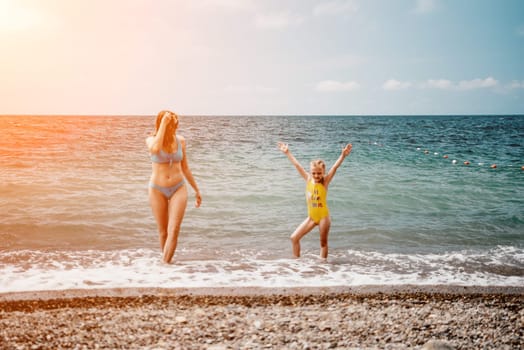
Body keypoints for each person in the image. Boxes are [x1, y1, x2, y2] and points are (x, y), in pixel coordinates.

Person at [278, 142, 352, 259]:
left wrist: (343, 155)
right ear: (311, 172)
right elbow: (297, 165)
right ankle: (295, 263)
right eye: (314, 173)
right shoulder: (308, 179)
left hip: (323, 217)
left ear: (323, 173)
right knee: (294, 238)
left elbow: (334, 168)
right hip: (311, 218)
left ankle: (322, 267)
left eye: (319, 173)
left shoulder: (325, 181)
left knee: (323, 243)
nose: (316, 175)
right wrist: (287, 152)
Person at [146, 110, 202, 263]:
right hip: (157, 189)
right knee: (163, 232)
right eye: (170, 125)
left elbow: (185, 168)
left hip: (178, 187)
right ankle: (166, 268)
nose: (173, 128)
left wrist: (196, 190)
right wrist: (163, 123)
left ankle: (164, 267)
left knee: (174, 230)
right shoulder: (151, 140)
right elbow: (155, 149)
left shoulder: (181, 140)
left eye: (174, 124)